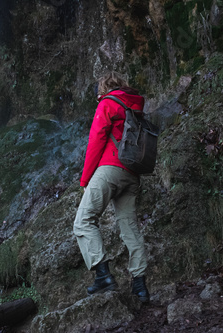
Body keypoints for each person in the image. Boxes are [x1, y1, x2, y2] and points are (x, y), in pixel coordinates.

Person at [73, 71, 149, 303]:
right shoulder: (135, 106)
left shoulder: (107, 104)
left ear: (103, 89)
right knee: (129, 227)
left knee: (83, 221)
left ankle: (103, 275)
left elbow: (96, 141)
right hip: (132, 173)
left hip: (110, 168)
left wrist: (85, 180)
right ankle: (140, 286)